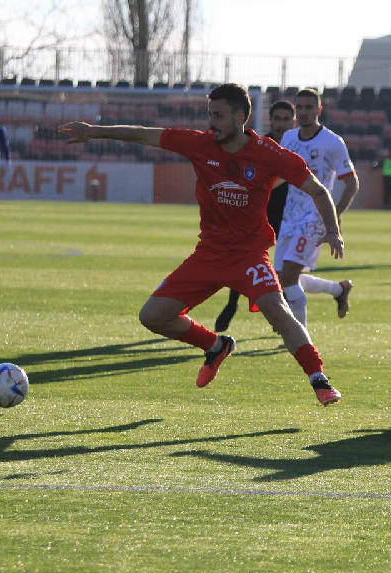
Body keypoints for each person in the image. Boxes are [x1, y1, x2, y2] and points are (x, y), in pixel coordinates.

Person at [58, 83, 344, 406]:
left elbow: (318, 190)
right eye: (210, 115)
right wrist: (95, 132)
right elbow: (144, 135)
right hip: (208, 255)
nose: (212, 123)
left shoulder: (268, 153)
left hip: (248, 256)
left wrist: (333, 230)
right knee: (152, 316)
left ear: (240, 117)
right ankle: (215, 346)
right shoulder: (200, 144)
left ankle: (319, 380)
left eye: (218, 115)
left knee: (279, 312)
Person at [275, 88, 359, 330]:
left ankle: (298, 336)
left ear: (319, 110)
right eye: (299, 107)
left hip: (314, 218)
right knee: (283, 279)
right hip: (290, 217)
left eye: (309, 107)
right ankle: (339, 289)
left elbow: (352, 183)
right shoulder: (289, 138)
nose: (304, 112)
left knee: (290, 276)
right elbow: (280, 175)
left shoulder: (332, 142)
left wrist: (334, 214)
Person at [214, 99, 296, 332]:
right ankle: (232, 304)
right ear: (270, 120)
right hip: (262, 211)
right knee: (246, 257)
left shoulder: (298, 145)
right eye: (277, 119)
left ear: (293, 122)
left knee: (287, 268)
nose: (281, 124)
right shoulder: (259, 145)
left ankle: (284, 311)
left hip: (292, 215)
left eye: (286, 120)